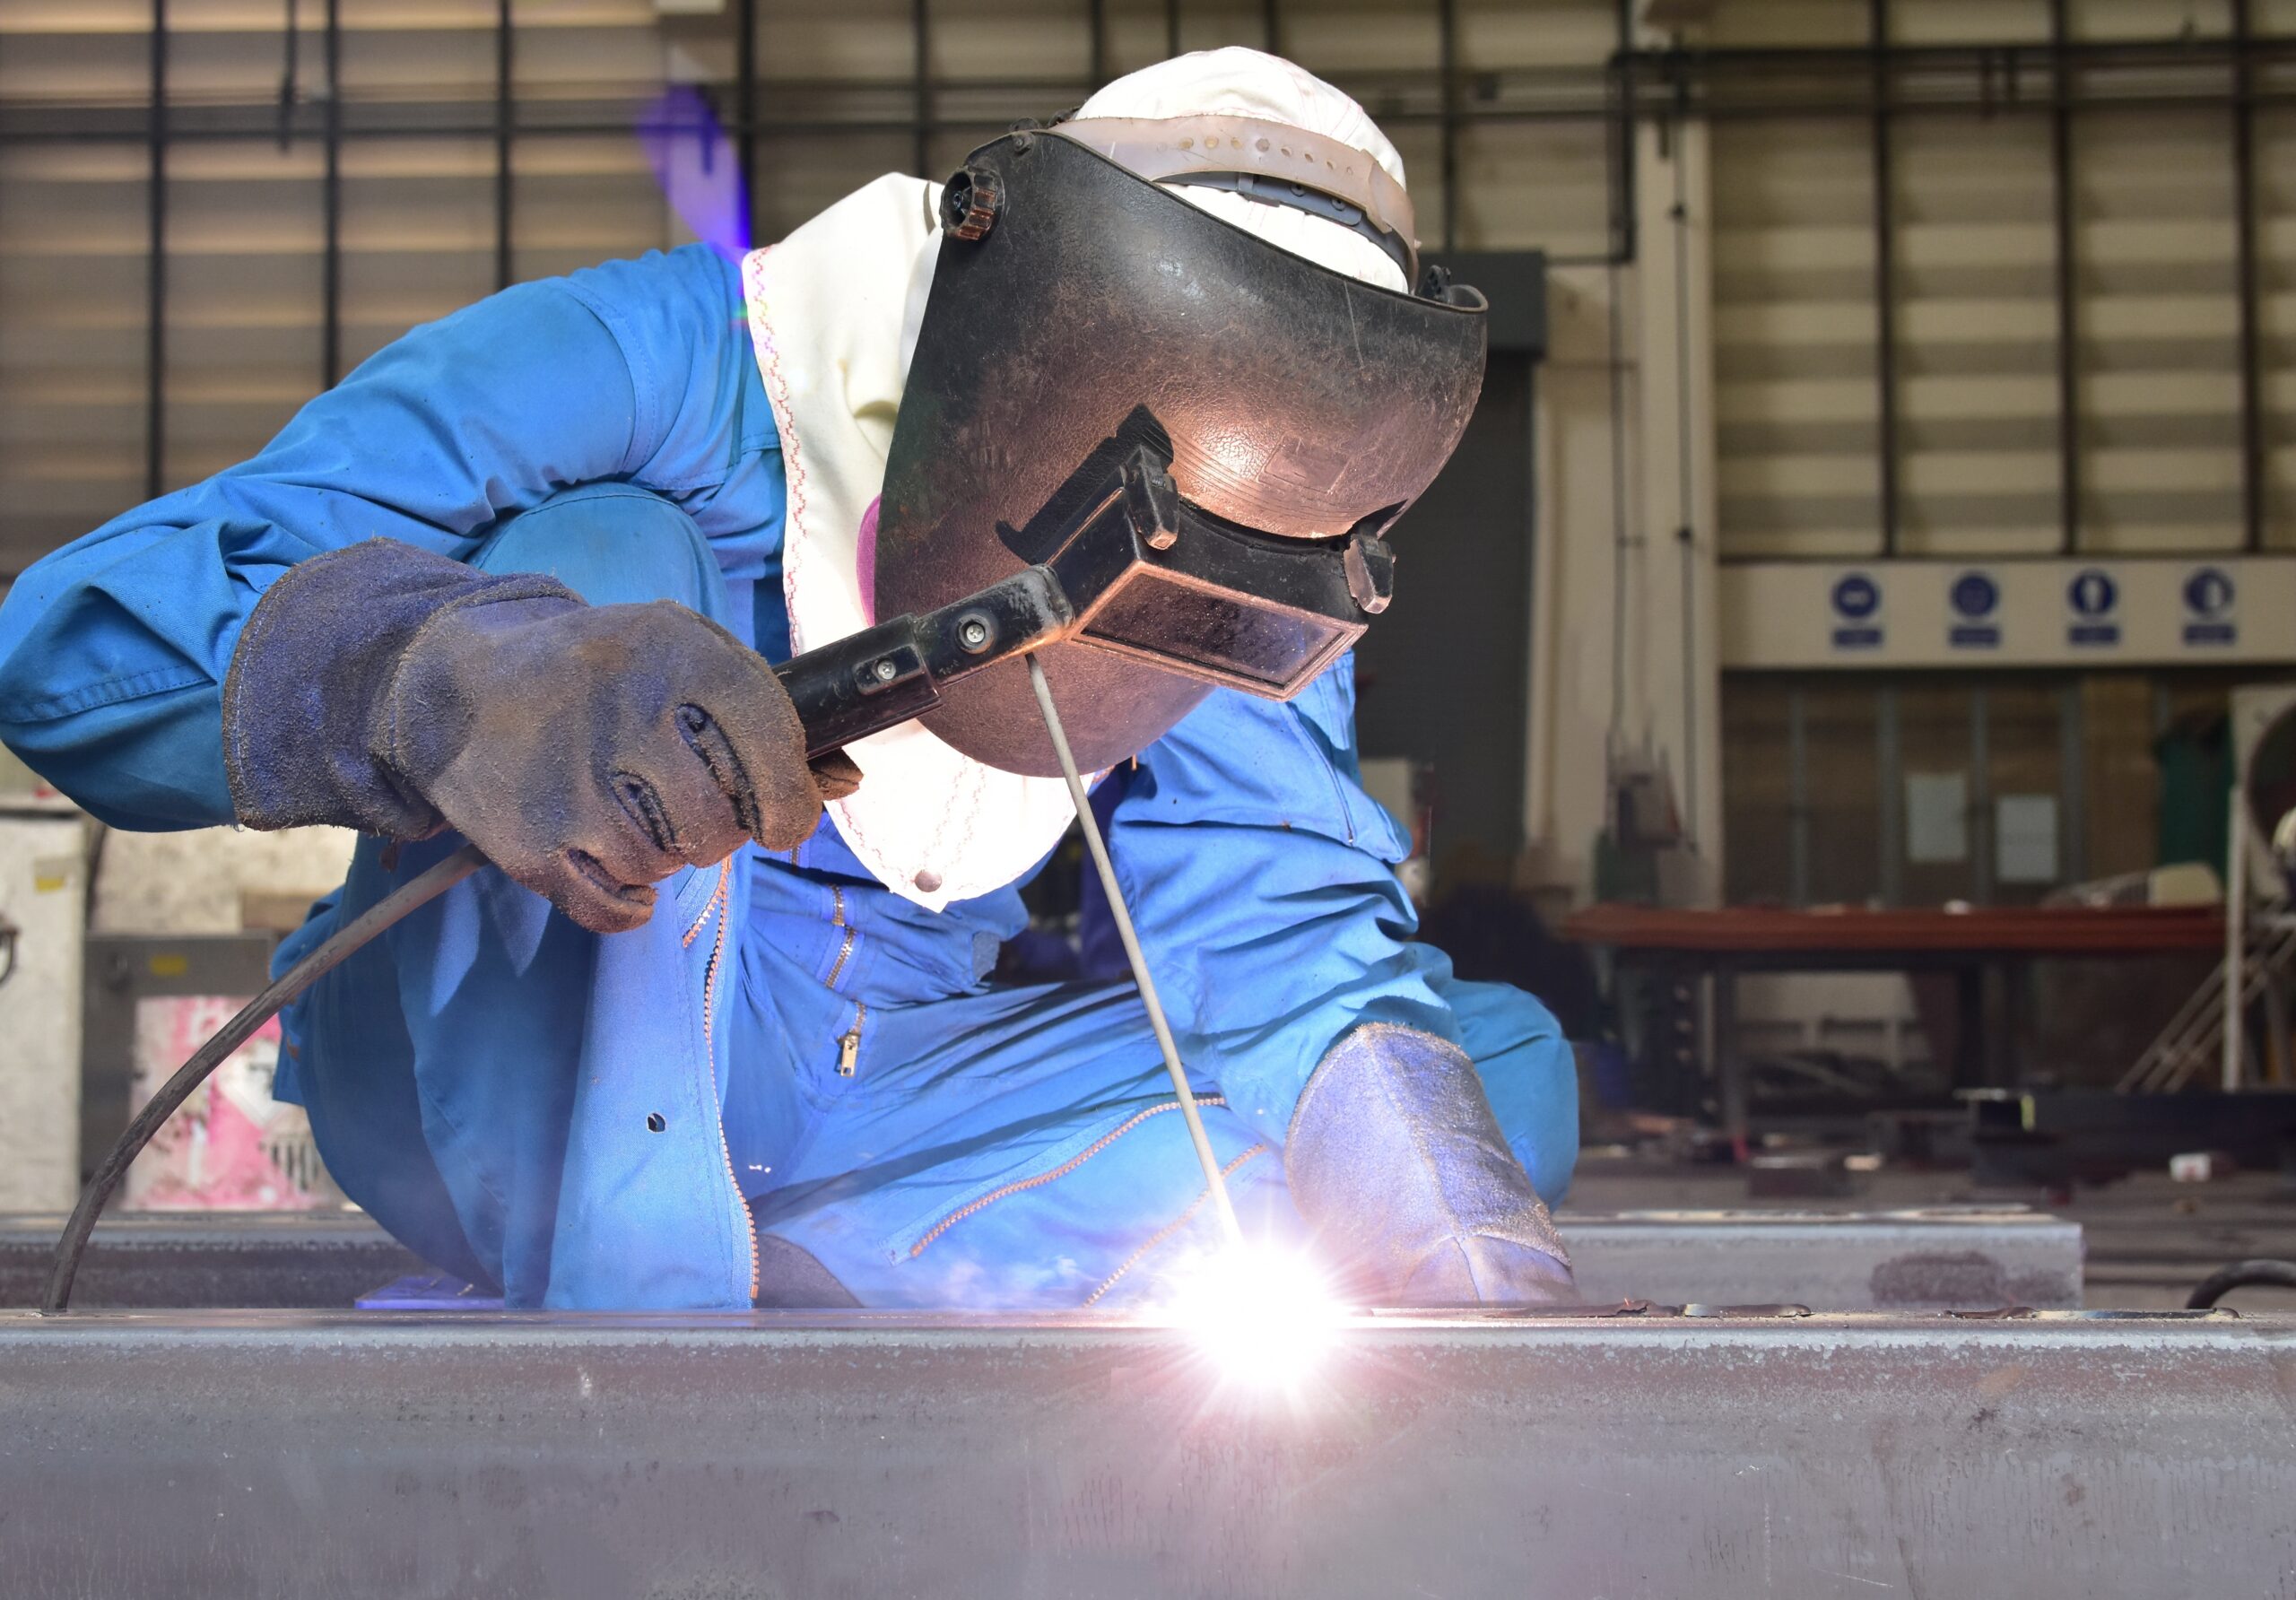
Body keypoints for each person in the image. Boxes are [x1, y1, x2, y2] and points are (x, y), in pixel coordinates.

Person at [0, 48, 1578, 1310]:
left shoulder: (1254, 524)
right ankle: (642, 1285)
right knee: (609, 549)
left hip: (863, 1098)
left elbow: (1281, 928)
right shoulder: (665, 360)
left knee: (1483, 1075)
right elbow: (68, 643)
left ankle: (803, 1267)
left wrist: (1458, 1260)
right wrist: (446, 677)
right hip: (480, 1090)